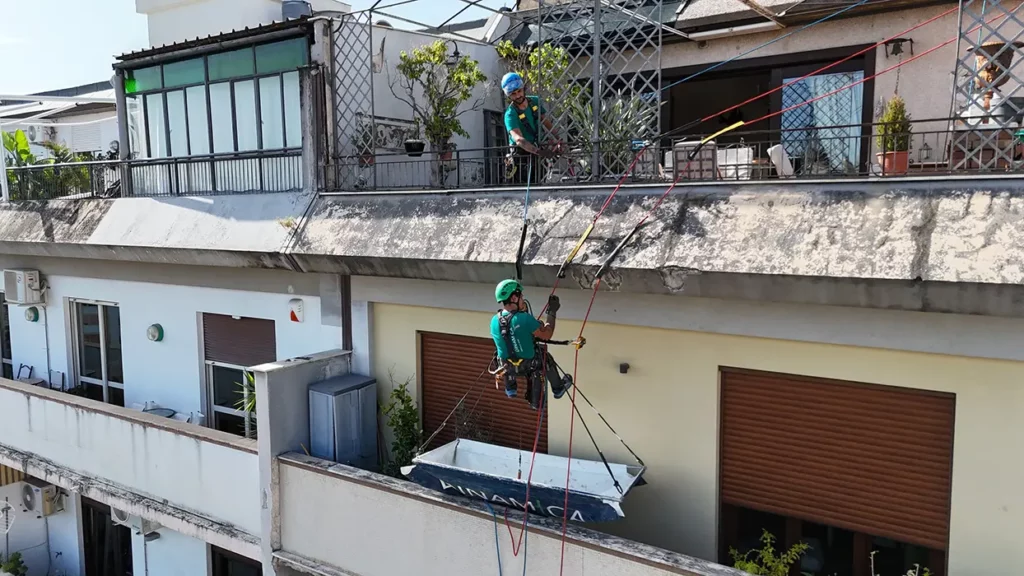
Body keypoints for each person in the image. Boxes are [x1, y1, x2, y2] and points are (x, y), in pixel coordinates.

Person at [490, 279, 573, 410]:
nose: (523, 299)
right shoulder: (524, 319)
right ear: (514, 297)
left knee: (502, 353)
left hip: (507, 367)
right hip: (529, 365)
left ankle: (511, 387)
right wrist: (552, 312)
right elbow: (547, 334)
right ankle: (558, 388)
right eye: (521, 296)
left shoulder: (494, 320)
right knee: (545, 356)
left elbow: (511, 335)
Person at [501, 72, 563, 185]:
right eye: (513, 94)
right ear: (509, 95)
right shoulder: (510, 114)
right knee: (522, 187)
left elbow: (545, 121)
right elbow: (518, 139)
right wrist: (538, 151)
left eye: (519, 91)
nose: (518, 96)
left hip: (537, 150)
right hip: (521, 155)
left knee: (539, 183)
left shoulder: (534, 102)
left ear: (523, 88)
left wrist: (558, 139)